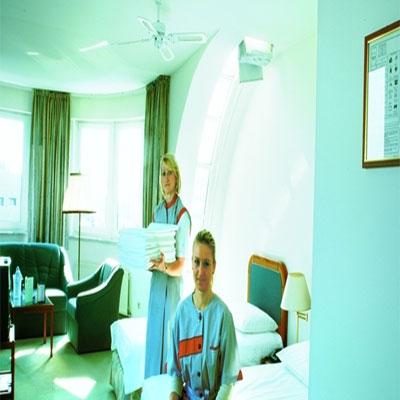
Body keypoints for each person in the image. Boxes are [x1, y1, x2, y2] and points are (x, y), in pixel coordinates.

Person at [167, 230, 241, 400]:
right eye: (197, 262)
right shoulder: (181, 312)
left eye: (206, 264)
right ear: (191, 264)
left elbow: (227, 384)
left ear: (214, 266)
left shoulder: (223, 316)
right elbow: (176, 374)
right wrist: (172, 396)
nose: (201, 271)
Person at [145, 153, 191, 379]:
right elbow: (153, 248)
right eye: (162, 173)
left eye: (169, 172)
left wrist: (164, 267)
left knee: (169, 344)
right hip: (157, 286)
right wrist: (149, 261)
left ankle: (168, 389)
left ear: (176, 177)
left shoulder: (183, 216)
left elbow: (180, 265)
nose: (165, 178)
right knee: (154, 339)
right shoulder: (156, 211)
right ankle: (151, 386)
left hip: (172, 289)